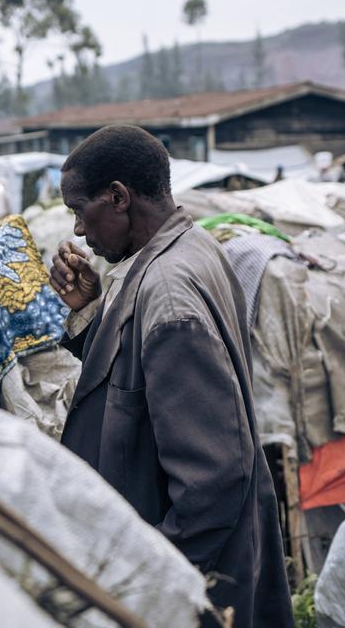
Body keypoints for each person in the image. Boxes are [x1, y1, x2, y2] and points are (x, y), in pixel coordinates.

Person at [48, 125, 292, 628]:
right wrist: (91, 311)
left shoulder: (169, 294)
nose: (77, 231)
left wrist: (151, 576)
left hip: (191, 582)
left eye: (78, 210)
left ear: (118, 197)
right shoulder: (189, 247)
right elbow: (141, 376)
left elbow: (213, 479)